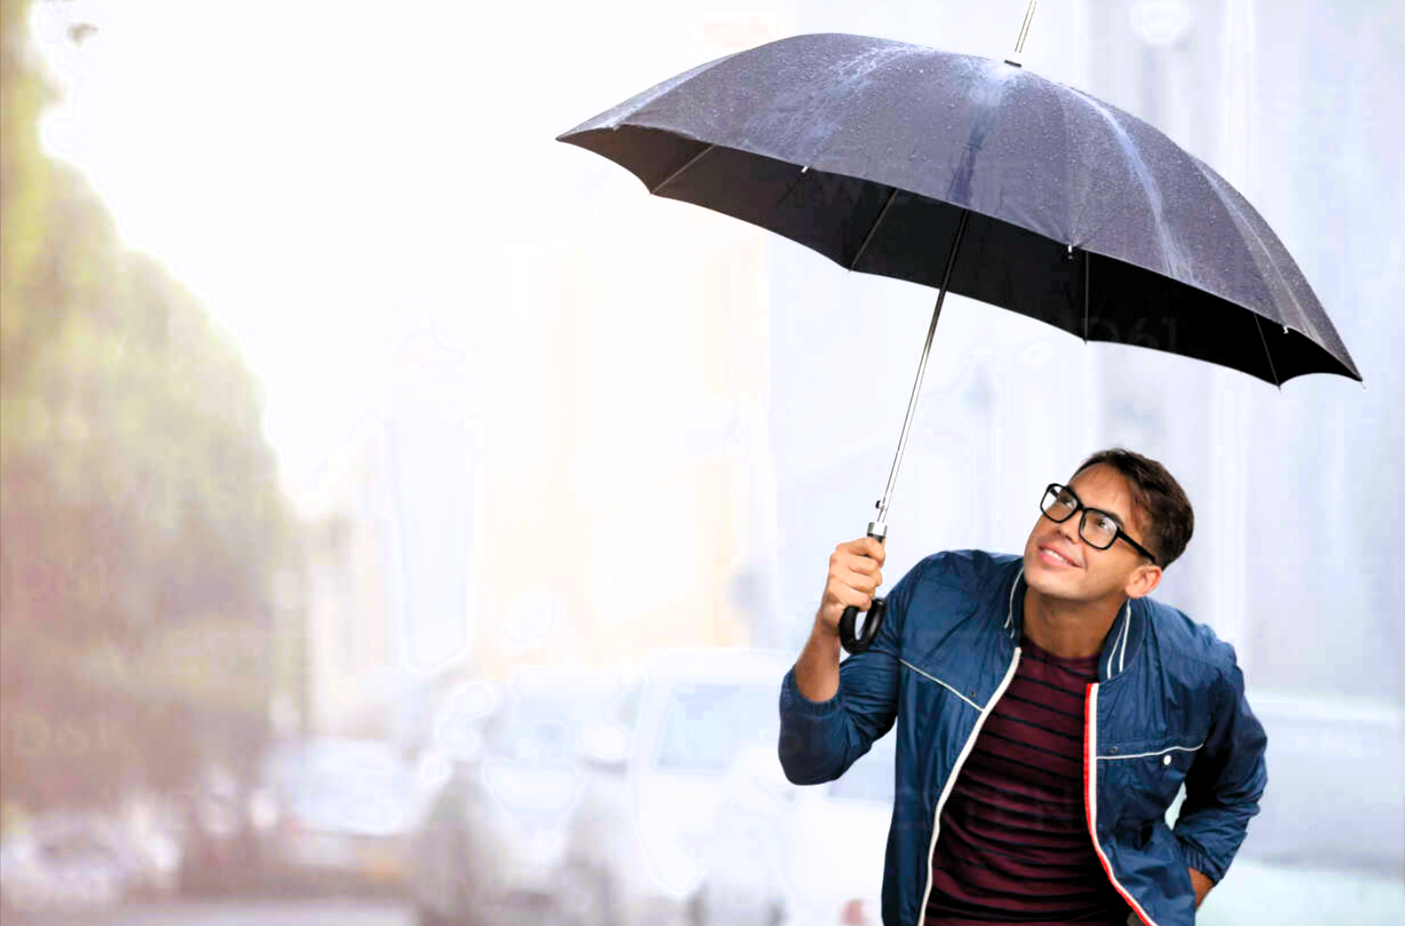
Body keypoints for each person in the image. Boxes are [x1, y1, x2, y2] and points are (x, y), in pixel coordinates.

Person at [778, 448, 1267, 926]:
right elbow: (812, 758)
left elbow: (1231, 794)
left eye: (1101, 526)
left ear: (1143, 579)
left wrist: (1170, 903)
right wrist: (826, 628)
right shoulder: (941, 594)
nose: (1065, 524)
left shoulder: (1195, 669)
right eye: (1065, 502)